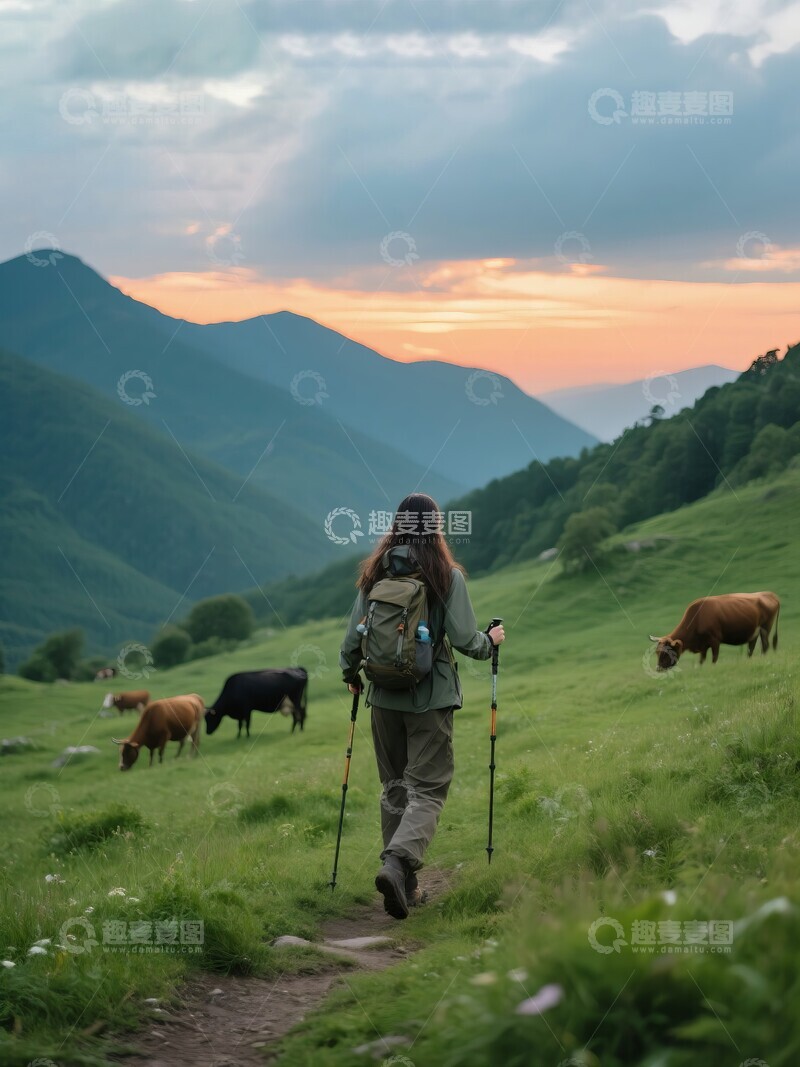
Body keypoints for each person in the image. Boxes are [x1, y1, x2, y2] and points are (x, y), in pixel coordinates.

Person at [339, 493, 506, 919]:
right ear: (436, 527)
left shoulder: (374, 573)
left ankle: (404, 886)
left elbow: (353, 638)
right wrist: (493, 642)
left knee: (394, 787)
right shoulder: (444, 575)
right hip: (429, 700)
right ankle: (396, 864)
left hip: (381, 698)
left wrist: (350, 674)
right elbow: (469, 641)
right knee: (427, 788)